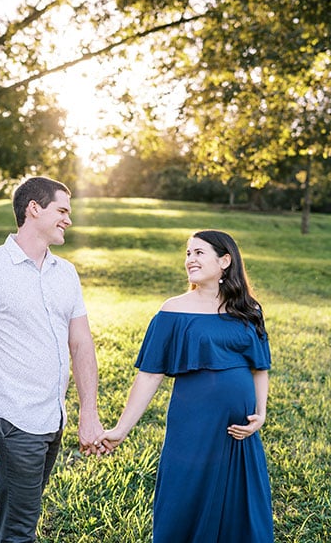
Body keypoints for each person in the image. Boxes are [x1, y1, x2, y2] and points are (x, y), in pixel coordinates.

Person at [0, 176, 109, 543]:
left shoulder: (65, 273)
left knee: (10, 512)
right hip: (12, 419)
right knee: (20, 529)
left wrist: (89, 412)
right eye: (62, 210)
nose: (69, 219)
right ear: (33, 209)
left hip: (52, 417)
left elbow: (82, 344)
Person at [98, 229, 274, 543]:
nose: (190, 259)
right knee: (186, 495)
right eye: (188, 253)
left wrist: (260, 414)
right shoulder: (173, 311)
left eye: (199, 252)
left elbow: (259, 366)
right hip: (193, 423)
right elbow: (150, 375)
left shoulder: (249, 309)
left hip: (239, 430)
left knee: (240, 507)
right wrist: (121, 429)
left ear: (225, 260)